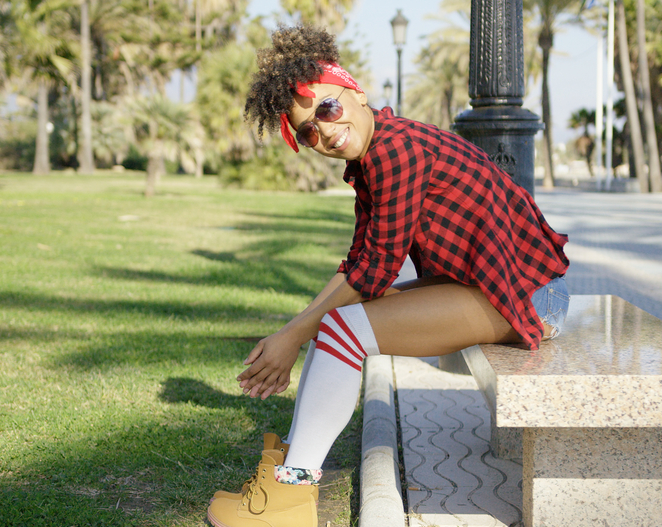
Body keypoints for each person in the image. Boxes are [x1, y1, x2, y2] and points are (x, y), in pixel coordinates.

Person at [206, 25, 570, 527]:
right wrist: (294, 328)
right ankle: (290, 468)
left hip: (530, 295)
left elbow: (376, 270)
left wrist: (292, 335)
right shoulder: (372, 158)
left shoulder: (395, 149)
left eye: (327, 109)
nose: (325, 132)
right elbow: (358, 260)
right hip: (494, 285)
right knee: (338, 322)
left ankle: (291, 496)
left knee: (342, 328)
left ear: (354, 93)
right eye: (308, 131)